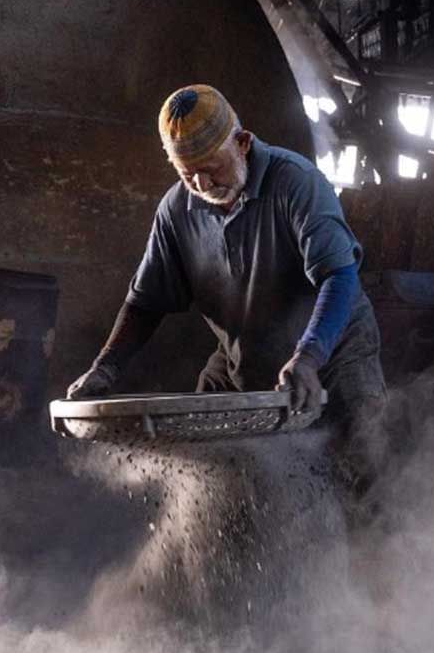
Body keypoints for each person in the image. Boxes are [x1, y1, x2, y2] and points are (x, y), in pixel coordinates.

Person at [67, 84, 385, 460]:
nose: (202, 185)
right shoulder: (176, 210)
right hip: (244, 359)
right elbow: (145, 303)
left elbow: (339, 276)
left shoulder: (297, 183)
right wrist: (104, 369)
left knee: (359, 464)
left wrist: (309, 357)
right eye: (188, 175)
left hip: (332, 354)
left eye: (211, 169)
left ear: (243, 143)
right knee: (208, 462)